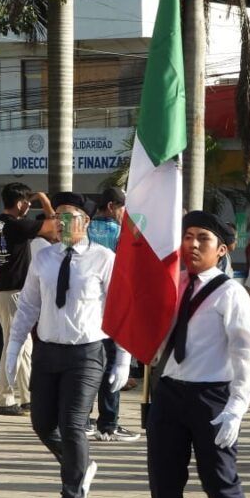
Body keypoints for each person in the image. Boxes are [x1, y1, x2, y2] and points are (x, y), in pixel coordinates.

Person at [146, 211, 250, 498]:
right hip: (170, 393)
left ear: (222, 249)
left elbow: (247, 357)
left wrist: (236, 409)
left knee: (220, 482)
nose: (192, 244)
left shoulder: (232, 294)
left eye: (203, 239)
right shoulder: (172, 285)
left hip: (213, 397)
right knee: (165, 482)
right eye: (188, 236)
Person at [6, 192, 130, 498]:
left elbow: (120, 311)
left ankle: (71, 496)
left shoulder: (104, 258)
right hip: (47, 351)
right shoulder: (44, 259)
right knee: (42, 423)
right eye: (56, 217)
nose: (59, 223)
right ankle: (82, 464)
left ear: (85, 221)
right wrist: (13, 347)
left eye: (68, 217)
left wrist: (122, 359)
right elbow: (29, 306)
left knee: (73, 423)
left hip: (86, 353)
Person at [0, 183, 54, 416]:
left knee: (23, 345)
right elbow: (59, 229)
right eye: (26, 202)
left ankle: (27, 398)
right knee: (15, 343)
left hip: (4, 290)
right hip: (13, 291)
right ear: (18, 203)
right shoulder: (16, 224)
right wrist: (45, 201)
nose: (29, 206)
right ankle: (5, 400)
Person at [86, 187, 139, 442]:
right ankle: (108, 422)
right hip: (112, 307)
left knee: (87, 366)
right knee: (112, 367)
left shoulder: (82, 230)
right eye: (122, 208)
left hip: (85, 309)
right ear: (111, 206)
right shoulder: (121, 235)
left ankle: (83, 420)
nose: (124, 213)